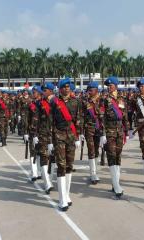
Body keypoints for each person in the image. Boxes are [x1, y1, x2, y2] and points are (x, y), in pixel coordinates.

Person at [50, 78, 82, 211]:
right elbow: (50, 122)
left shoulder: (76, 101)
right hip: (59, 136)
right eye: (64, 87)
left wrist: (78, 136)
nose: (67, 89)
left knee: (69, 166)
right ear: (60, 89)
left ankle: (67, 195)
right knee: (61, 166)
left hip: (71, 137)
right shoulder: (54, 102)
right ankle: (62, 199)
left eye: (68, 87)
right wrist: (51, 141)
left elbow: (78, 119)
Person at [102, 76, 129, 198]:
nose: (109, 87)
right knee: (111, 156)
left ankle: (115, 184)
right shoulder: (105, 99)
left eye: (111, 85)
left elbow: (125, 116)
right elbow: (100, 117)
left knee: (118, 157)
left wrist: (127, 132)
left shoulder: (122, 98)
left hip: (119, 132)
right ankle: (117, 186)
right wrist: (103, 134)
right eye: (108, 86)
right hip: (109, 131)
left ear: (116, 86)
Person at [82, 81, 104, 185]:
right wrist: (81, 131)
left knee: (96, 150)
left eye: (91, 90)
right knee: (91, 150)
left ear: (96, 90)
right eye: (88, 90)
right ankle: (93, 174)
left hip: (99, 127)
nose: (89, 92)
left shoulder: (102, 100)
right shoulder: (85, 101)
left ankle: (95, 171)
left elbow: (104, 116)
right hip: (89, 128)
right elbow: (81, 116)